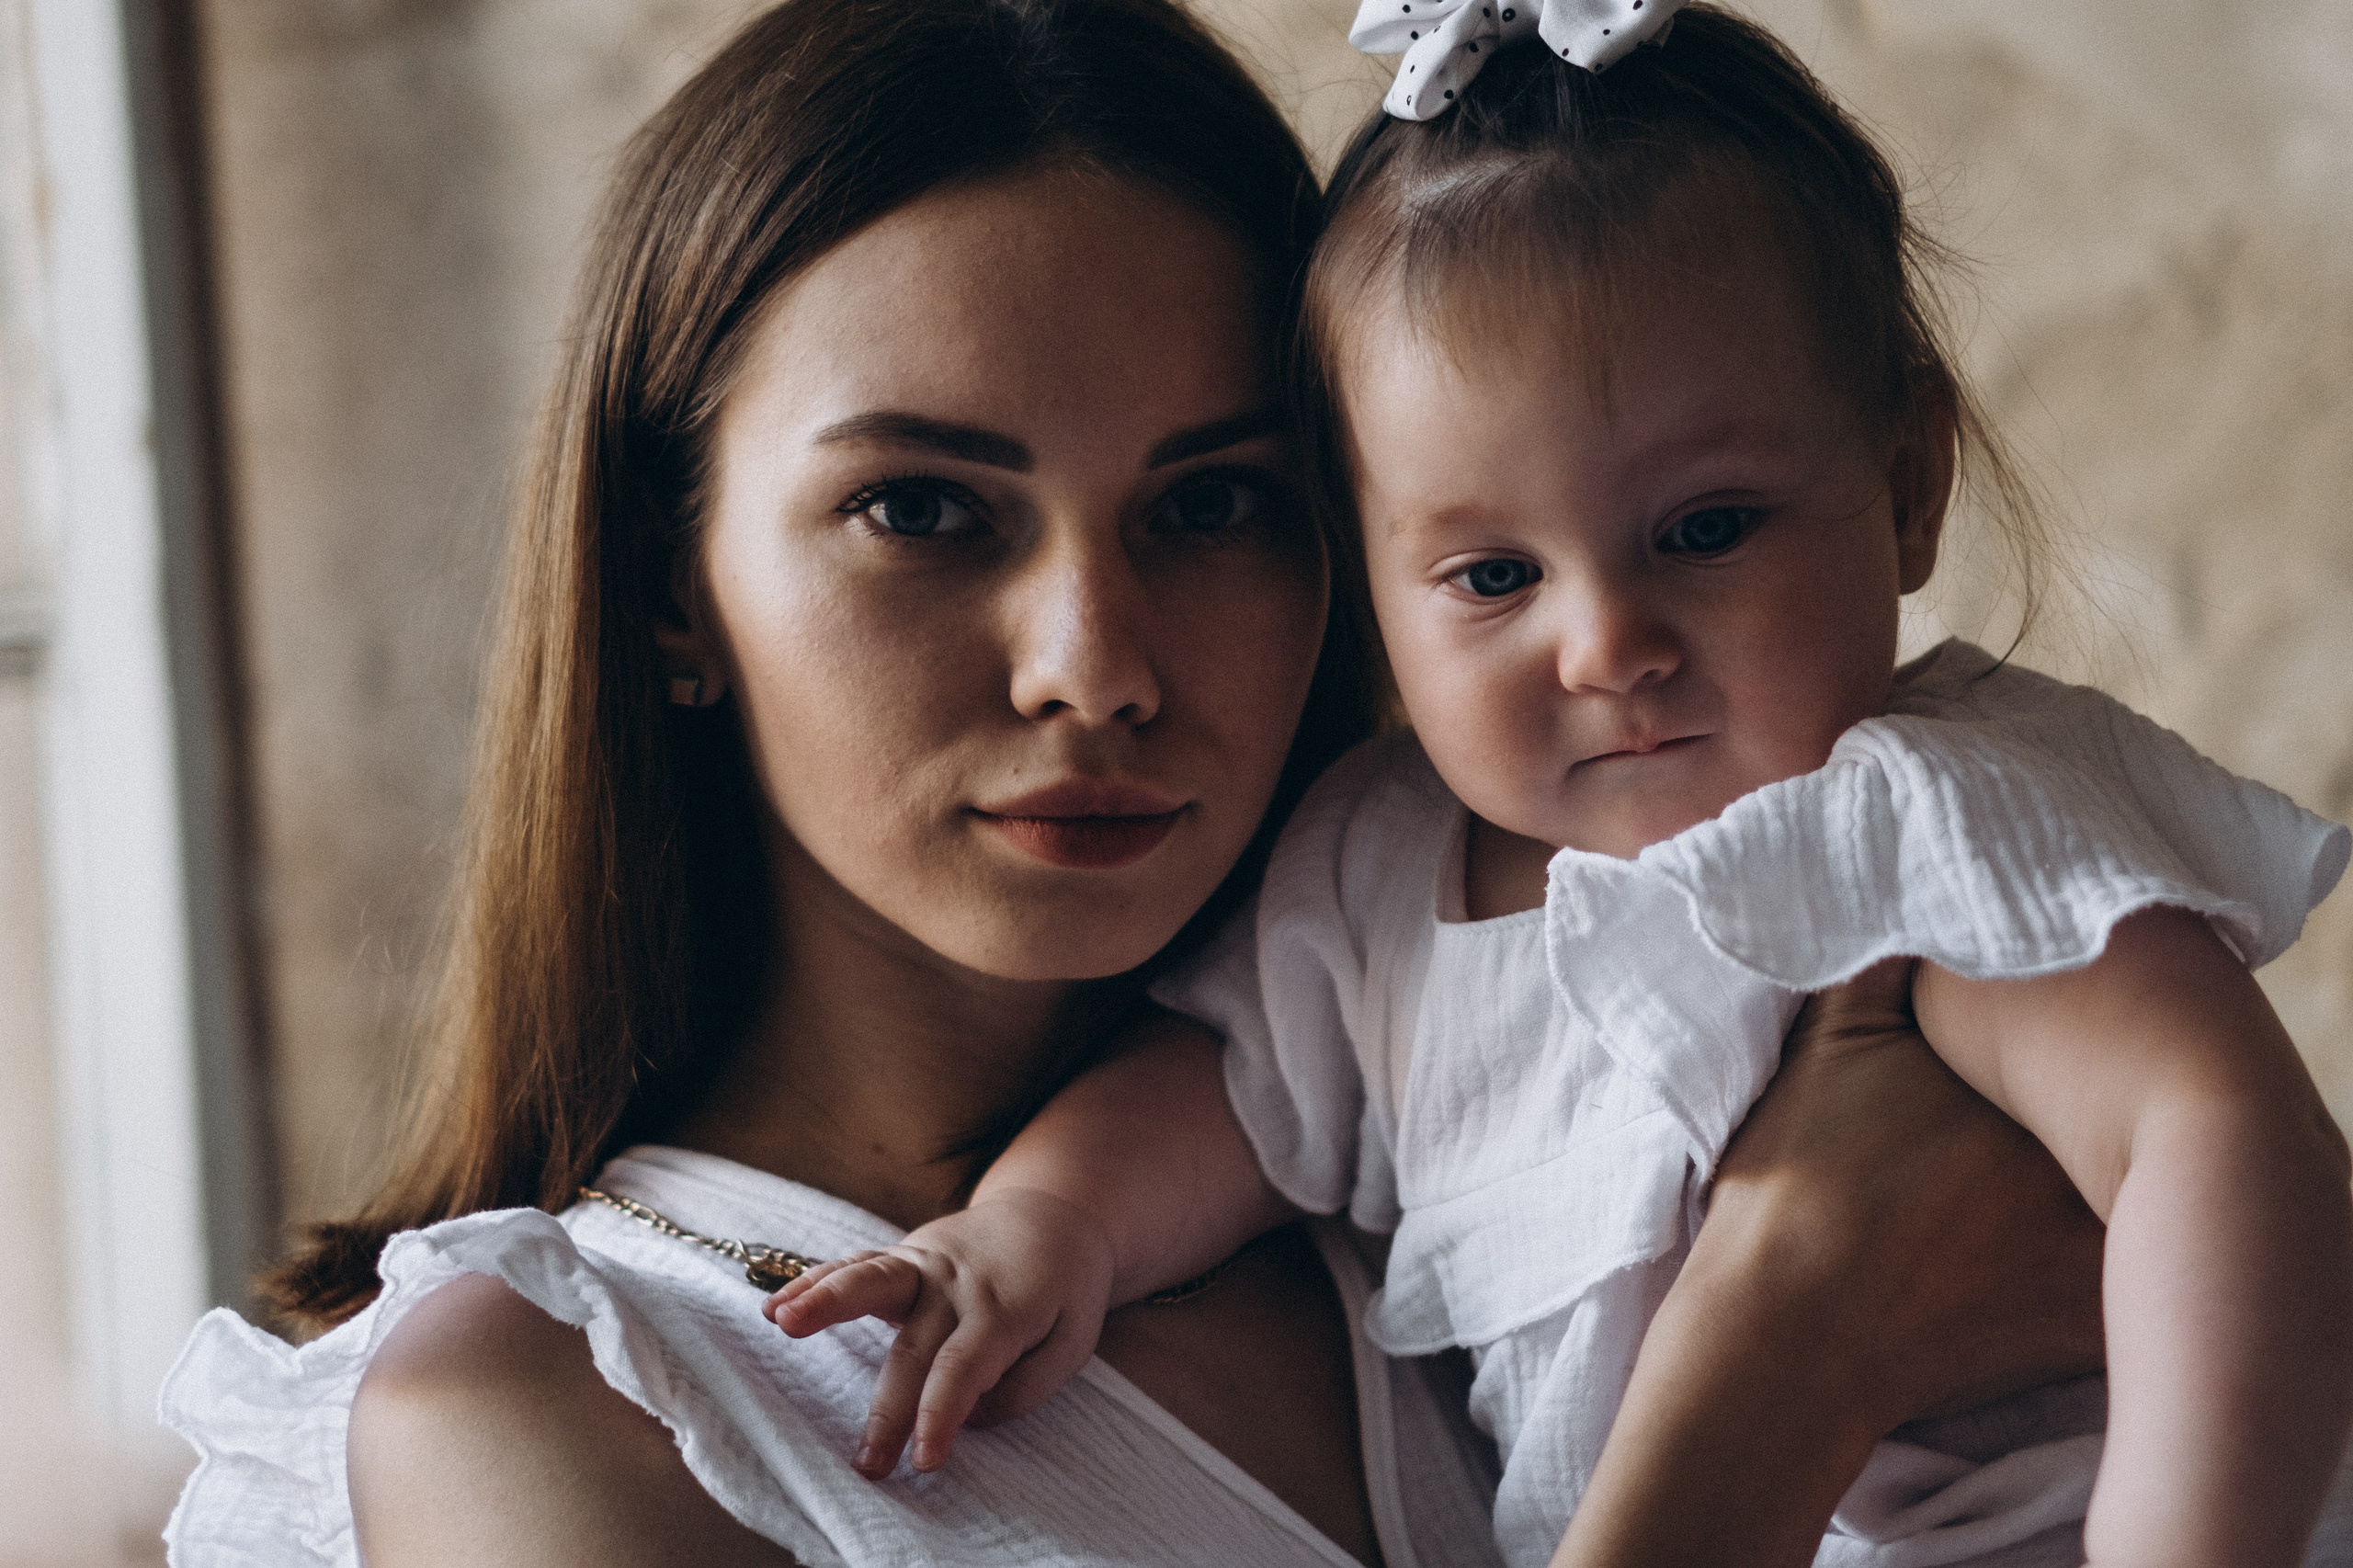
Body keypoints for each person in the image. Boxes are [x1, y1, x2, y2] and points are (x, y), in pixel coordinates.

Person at [160, 3, 2117, 1565]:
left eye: (1213, 503)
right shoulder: (545, 1409)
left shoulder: (1511, 1146)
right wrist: (1782, 1357)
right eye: (919, 509)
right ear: (675, 580)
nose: (1092, 660)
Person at [770, 6, 2353, 1568]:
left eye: (1707, 529)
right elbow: (1218, 1091)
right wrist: (1042, 1229)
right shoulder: (1377, 874)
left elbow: (2208, 1132)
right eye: (1493, 571)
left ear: (1906, 483)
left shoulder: (1915, 821)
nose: (1607, 643)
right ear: (1363, 578)